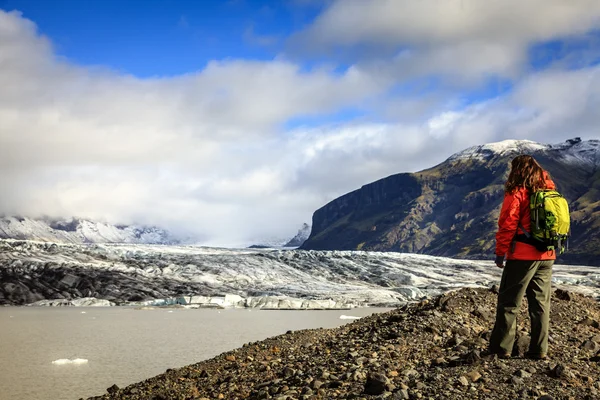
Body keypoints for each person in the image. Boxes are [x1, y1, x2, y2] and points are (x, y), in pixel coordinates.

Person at [488, 155, 556, 360]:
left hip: (523, 256)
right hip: (547, 254)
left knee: (509, 303)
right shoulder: (549, 190)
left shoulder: (517, 191)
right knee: (541, 304)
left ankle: (501, 349)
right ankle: (539, 350)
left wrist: (501, 252)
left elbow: (508, 223)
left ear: (516, 170)